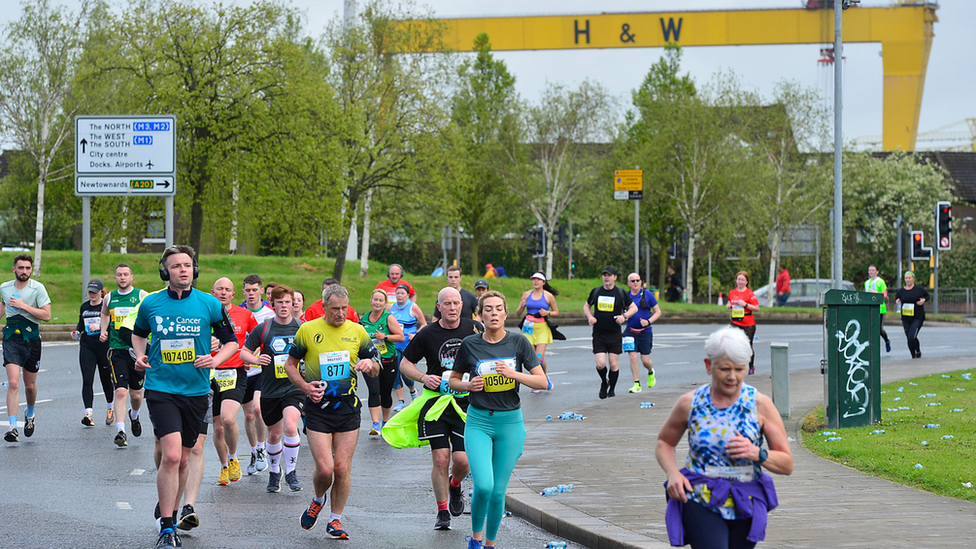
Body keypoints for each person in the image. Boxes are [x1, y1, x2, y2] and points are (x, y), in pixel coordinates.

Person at [132, 245, 239, 549]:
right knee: (173, 455)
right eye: (176, 266)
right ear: (165, 271)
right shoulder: (151, 303)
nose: (183, 270)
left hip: (197, 391)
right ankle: (167, 528)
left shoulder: (209, 304)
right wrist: (140, 355)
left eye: (188, 265)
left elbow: (232, 342)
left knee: (184, 461)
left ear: (195, 269)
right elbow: (138, 334)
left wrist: (216, 361)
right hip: (161, 388)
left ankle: (173, 513)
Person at [656, 327, 793, 549]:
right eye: (724, 369)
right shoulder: (690, 403)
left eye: (739, 369)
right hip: (700, 497)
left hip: (745, 499)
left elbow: (787, 464)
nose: (732, 377)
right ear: (709, 366)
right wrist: (673, 474)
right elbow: (664, 442)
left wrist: (757, 453)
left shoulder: (760, 404)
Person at [447, 290, 550, 549]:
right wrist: (469, 386)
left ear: (506, 313)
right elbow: (453, 380)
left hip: (510, 424)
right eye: (488, 309)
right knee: (483, 485)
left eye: (498, 308)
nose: (494, 313)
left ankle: (490, 544)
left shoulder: (519, 343)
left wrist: (514, 375)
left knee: (497, 491)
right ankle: (475, 538)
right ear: (480, 315)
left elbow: (542, 381)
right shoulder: (470, 344)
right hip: (479, 421)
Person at [283, 284, 380, 540]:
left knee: (342, 467)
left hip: (347, 408)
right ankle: (317, 499)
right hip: (318, 408)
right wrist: (305, 386)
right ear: (323, 306)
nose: (340, 313)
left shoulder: (357, 331)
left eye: (344, 308)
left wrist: (370, 363)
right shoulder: (308, 330)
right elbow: (290, 365)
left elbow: (377, 365)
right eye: (335, 308)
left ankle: (335, 520)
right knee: (325, 469)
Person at [397, 287, 483, 531]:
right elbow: (405, 363)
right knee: (441, 458)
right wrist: (424, 378)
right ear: (439, 307)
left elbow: (490, 351)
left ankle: (455, 484)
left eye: (456, 303)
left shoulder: (474, 328)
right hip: (437, 402)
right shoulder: (427, 334)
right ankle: (442, 510)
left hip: (466, 402)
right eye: (447, 304)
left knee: (462, 460)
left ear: (462, 306)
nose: (452, 308)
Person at [241, 285, 306, 493]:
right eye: (280, 302)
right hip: (270, 389)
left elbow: (314, 351)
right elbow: (244, 353)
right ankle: (275, 471)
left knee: (290, 426)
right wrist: (256, 359)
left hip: (293, 387)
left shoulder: (301, 327)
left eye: (288, 302)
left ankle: (291, 472)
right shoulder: (264, 328)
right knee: (275, 434)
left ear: (293, 304)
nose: (285, 306)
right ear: (274, 305)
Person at [210, 277, 258, 485]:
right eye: (219, 289)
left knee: (229, 419)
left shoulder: (245, 314)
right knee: (218, 427)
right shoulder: (204, 313)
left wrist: (250, 357)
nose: (223, 292)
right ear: (212, 292)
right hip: (209, 372)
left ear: (233, 295)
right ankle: (223, 467)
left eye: (227, 289)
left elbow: (258, 340)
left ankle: (233, 457)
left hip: (235, 372)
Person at [2, 254, 52, 443]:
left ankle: (29, 414)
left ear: (31, 270)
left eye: (27, 268)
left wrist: (24, 306)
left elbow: (47, 315)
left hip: (31, 339)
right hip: (11, 339)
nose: (24, 271)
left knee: (29, 386)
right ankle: (13, 427)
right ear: (14, 269)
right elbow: (3, 307)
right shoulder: (4, 288)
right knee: (13, 383)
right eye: (21, 268)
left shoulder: (38, 288)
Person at [100, 263, 150, 447]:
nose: (122, 277)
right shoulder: (109, 298)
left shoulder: (141, 295)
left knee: (136, 395)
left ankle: (134, 416)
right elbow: (104, 314)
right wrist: (103, 330)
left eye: (125, 274)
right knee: (120, 391)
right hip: (116, 349)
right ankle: (121, 431)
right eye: (119, 274)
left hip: (136, 350)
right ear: (115, 278)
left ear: (131, 277)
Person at [583, 267, 637, 400]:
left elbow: (634, 308)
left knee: (613, 364)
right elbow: (586, 306)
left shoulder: (620, 292)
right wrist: (590, 317)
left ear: (615, 277)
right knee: (600, 364)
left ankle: (612, 389)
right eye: (604, 275)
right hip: (599, 333)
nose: (606, 277)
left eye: (609, 275)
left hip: (614, 334)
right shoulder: (596, 292)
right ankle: (604, 382)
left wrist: (624, 317)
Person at [241, 274, 274, 474]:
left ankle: (262, 448)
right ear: (243, 291)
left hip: (262, 369)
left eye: (255, 290)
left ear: (262, 291)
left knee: (258, 409)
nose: (251, 294)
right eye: (248, 290)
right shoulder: (238, 312)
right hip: (243, 369)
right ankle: (254, 451)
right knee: (248, 415)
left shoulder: (269, 314)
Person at [359, 288, 404, 434]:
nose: (377, 302)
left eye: (380, 300)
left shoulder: (388, 318)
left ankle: (385, 421)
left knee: (385, 393)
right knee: (373, 391)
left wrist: (384, 337)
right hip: (370, 361)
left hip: (388, 360)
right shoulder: (364, 318)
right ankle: (374, 424)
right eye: (375, 299)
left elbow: (400, 337)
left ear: (385, 304)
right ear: (371, 300)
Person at [73, 278, 114, 427]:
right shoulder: (84, 307)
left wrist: (102, 328)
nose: (92, 295)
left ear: (101, 292)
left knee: (105, 379)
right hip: (87, 346)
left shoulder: (107, 306)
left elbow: (113, 326)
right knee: (87, 379)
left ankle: (110, 408)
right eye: (90, 292)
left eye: (95, 292)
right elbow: (81, 324)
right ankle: (88, 414)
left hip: (103, 346)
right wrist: (77, 331)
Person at [515, 272, 559, 391]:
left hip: (542, 327)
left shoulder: (548, 296)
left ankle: (544, 378)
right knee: (531, 357)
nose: (536, 281)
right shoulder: (526, 294)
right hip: (528, 328)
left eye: (538, 280)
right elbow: (518, 313)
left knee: (539, 357)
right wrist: (521, 306)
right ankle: (537, 381)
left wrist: (547, 313)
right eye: (533, 279)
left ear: (544, 282)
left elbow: (556, 312)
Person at [624, 273, 662, 394]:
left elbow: (658, 312)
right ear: (628, 283)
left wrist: (648, 321)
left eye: (637, 280)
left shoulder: (647, 295)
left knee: (645, 360)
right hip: (630, 331)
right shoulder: (626, 296)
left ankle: (651, 372)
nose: (635, 282)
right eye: (632, 281)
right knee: (632, 356)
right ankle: (637, 384)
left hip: (645, 331)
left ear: (641, 282)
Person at [391, 283, 426, 411]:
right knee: (395, 373)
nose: (399, 296)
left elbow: (424, 324)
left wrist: (416, 335)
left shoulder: (413, 307)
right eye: (398, 293)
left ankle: (413, 392)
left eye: (402, 293)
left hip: (407, 346)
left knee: (406, 374)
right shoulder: (391, 308)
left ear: (407, 295)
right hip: (394, 345)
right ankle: (401, 401)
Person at [727, 271, 759, 375]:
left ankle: (751, 367)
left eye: (742, 280)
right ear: (736, 280)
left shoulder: (749, 293)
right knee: (733, 345)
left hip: (748, 323)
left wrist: (745, 304)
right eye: (739, 279)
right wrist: (729, 306)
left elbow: (756, 308)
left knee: (747, 346)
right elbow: (730, 302)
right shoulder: (732, 292)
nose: (740, 282)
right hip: (735, 322)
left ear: (746, 282)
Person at [895, 271, 928, 359]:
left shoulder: (919, 289)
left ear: (913, 279)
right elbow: (897, 298)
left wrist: (923, 300)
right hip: (906, 317)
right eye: (906, 278)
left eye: (909, 278)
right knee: (909, 338)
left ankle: (918, 351)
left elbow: (927, 296)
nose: (908, 280)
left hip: (917, 317)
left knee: (912, 336)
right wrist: (897, 301)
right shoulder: (901, 291)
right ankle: (913, 355)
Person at [865, 265, 892, 353]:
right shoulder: (866, 282)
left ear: (877, 271)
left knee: (879, 329)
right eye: (870, 270)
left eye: (873, 270)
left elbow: (885, 296)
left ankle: (886, 340)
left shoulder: (880, 282)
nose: (871, 272)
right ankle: (871, 348)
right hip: (869, 309)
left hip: (880, 309)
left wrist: (876, 293)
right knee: (869, 329)